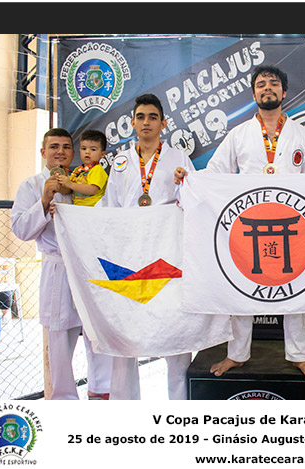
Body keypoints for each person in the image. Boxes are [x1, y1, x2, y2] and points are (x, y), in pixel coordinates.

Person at [175, 65, 305, 381]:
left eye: (273, 83)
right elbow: (216, 172)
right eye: (261, 84)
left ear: (284, 92)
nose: (267, 88)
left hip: (293, 224)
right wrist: (189, 179)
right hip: (247, 224)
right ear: (253, 94)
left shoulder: (301, 134)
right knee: (241, 289)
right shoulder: (239, 134)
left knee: (295, 289)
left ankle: (300, 356)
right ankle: (236, 354)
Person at [98, 93, 196, 400]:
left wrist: (185, 184)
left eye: (153, 117)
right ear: (132, 123)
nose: (146, 123)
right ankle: (125, 404)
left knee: (174, 328)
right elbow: (110, 206)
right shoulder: (121, 161)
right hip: (130, 252)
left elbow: (193, 202)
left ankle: (179, 402)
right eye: (140, 117)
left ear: (163, 124)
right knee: (126, 331)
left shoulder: (178, 158)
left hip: (167, 252)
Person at [11, 128, 112, 400]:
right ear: (43, 152)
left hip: (90, 266)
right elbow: (20, 229)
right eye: (54, 146)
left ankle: (102, 392)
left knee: (98, 331)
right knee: (58, 338)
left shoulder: (82, 180)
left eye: (66, 147)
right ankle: (63, 399)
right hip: (57, 268)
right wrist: (44, 201)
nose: (60, 152)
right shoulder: (31, 185)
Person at [56, 130, 108, 206]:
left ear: (102, 154)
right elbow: (69, 190)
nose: (87, 152)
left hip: (94, 208)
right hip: (78, 208)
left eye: (93, 149)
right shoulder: (78, 170)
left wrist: (70, 184)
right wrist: (59, 184)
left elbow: (93, 189)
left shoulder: (98, 169)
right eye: (83, 148)